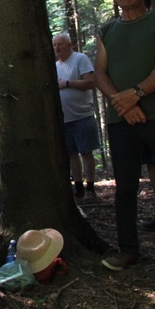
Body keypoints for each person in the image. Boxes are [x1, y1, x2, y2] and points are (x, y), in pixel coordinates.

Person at [94, 0, 155, 271]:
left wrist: (136, 93)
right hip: (120, 120)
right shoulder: (107, 30)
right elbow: (99, 72)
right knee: (124, 187)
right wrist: (121, 103)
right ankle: (128, 250)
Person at [53, 33, 101, 202]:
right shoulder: (55, 65)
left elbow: (90, 82)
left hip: (82, 116)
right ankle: (78, 188)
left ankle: (91, 189)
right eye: (55, 45)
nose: (57, 48)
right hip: (65, 119)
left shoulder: (80, 59)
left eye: (60, 44)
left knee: (86, 152)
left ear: (69, 45)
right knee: (72, 154)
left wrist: (66, 83)